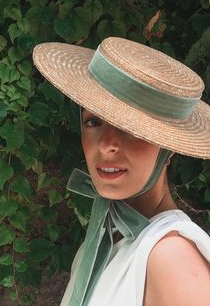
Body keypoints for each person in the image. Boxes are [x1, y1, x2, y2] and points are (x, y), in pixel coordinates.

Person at [33, 37, 210, 306]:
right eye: (94, 122)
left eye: (130, 129)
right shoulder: (97, 247)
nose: (106, 145)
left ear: (169, 146)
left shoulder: (171, 258)